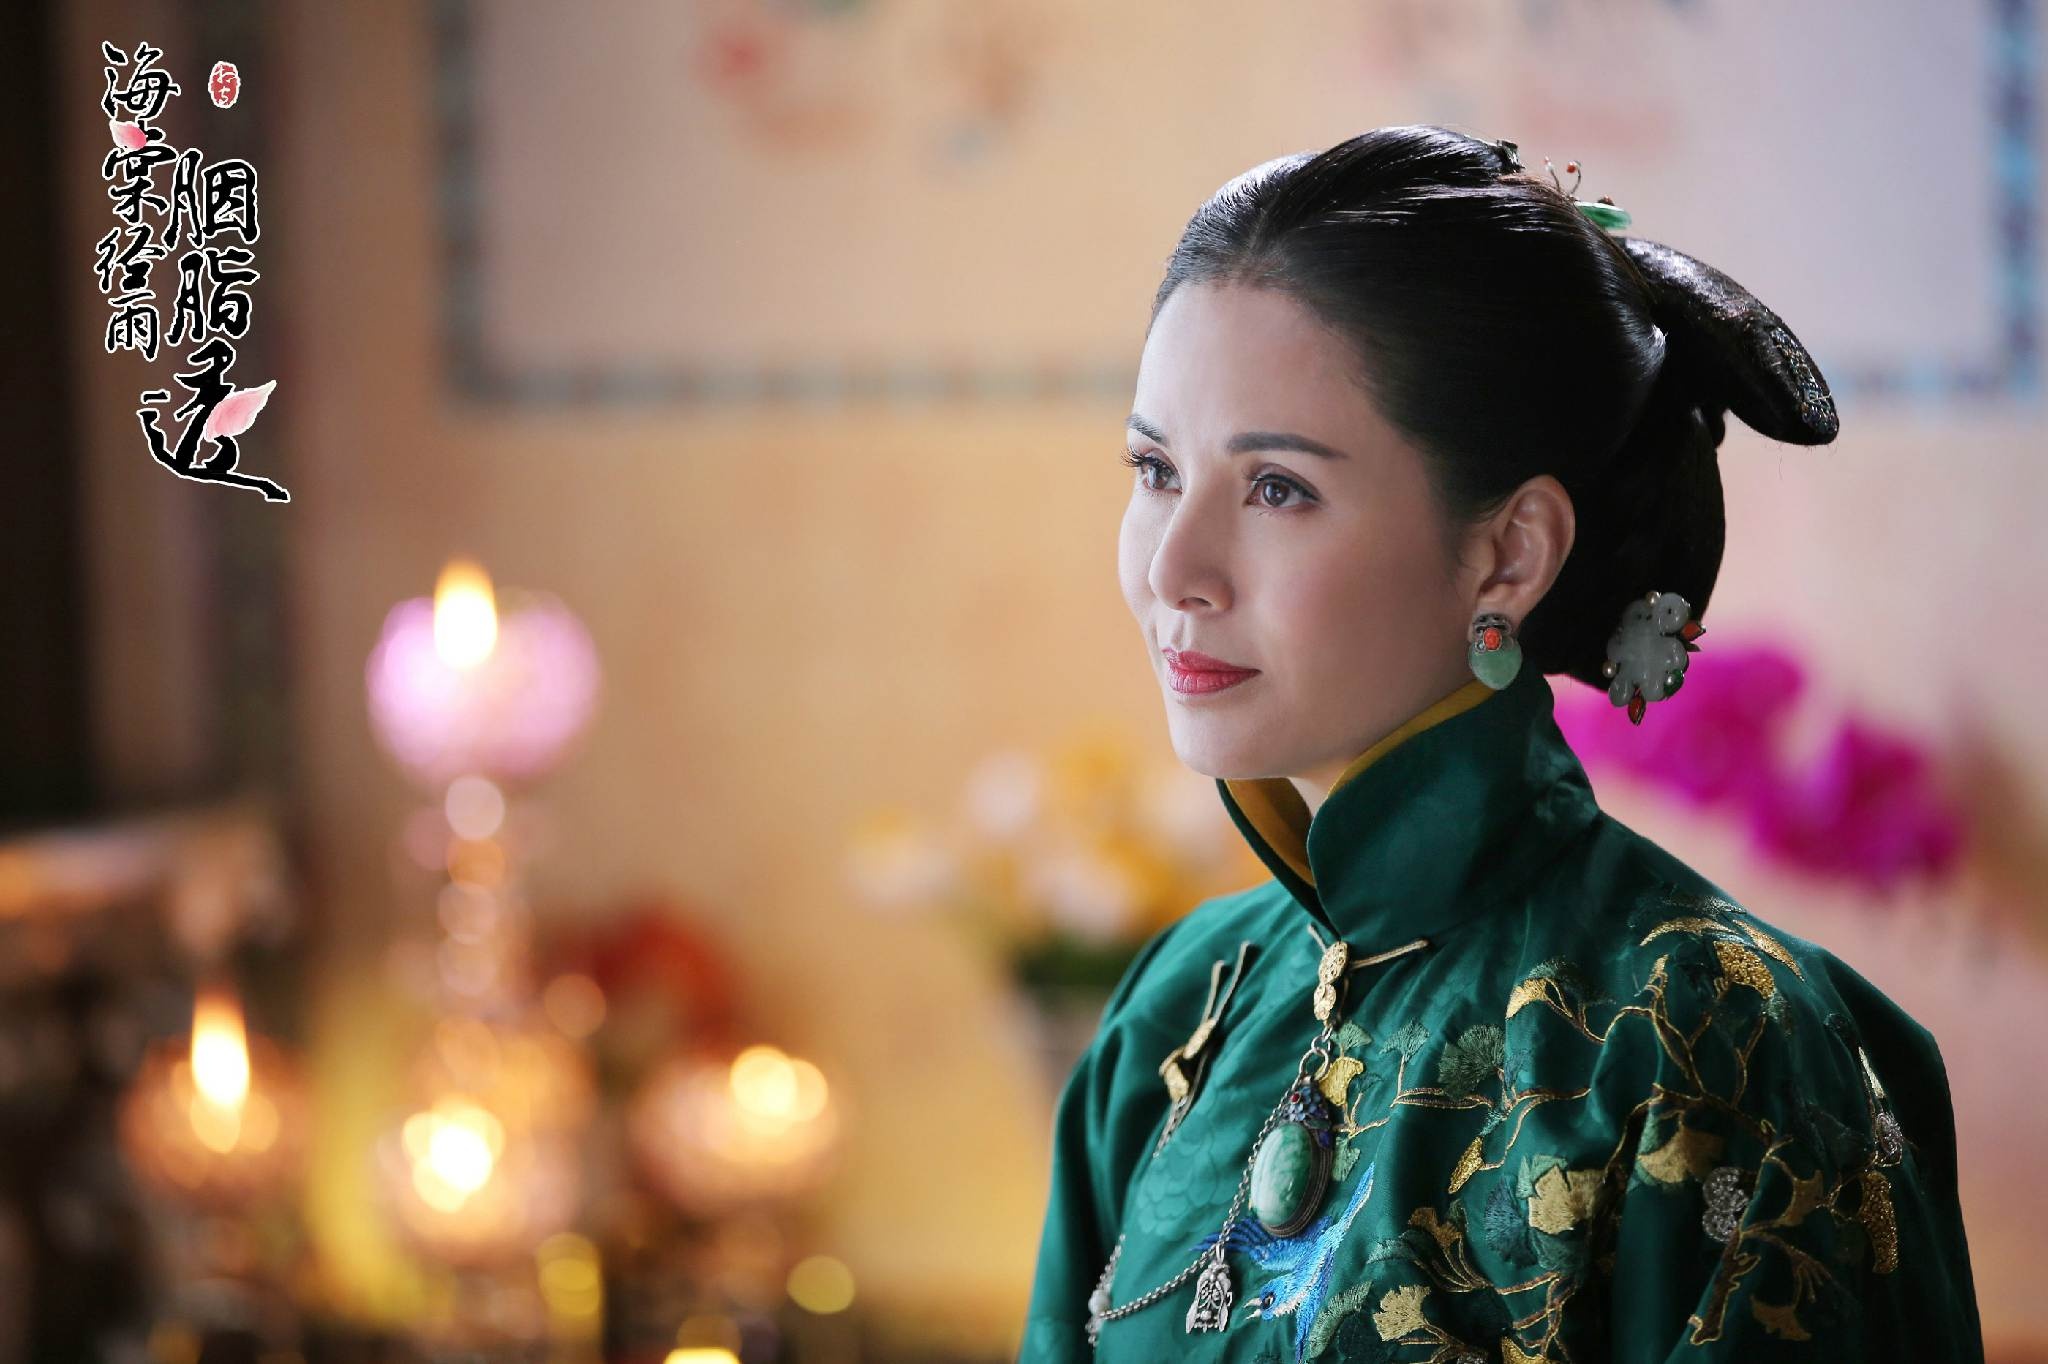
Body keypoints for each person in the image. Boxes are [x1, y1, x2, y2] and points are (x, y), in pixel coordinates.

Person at [1019, 125, 1984, 1363]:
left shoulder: (1702, 1039)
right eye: (1154, 468)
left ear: (1507, 554)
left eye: (1276, 489)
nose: (1172, 569)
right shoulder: (1182, 1008)